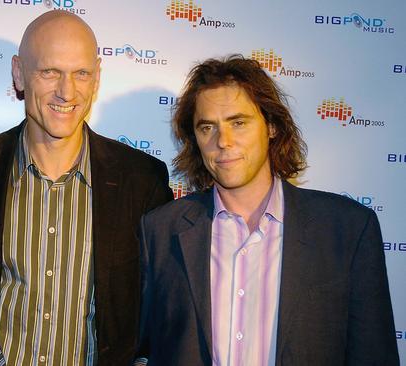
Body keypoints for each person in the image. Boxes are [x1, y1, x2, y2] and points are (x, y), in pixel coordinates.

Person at [0, 10, 173, 366]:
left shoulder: (142, 181)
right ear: (19, 73)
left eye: (81, 73)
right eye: (49, 72)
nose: (67, 91)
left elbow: (162, 307)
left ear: (97, 77)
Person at [138, 55, 400, 365]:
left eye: (238, 122)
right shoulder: (161, 230)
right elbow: (144, 350)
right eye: (207, 127)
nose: (223, 141)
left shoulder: (347, 229)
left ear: (272, 126)